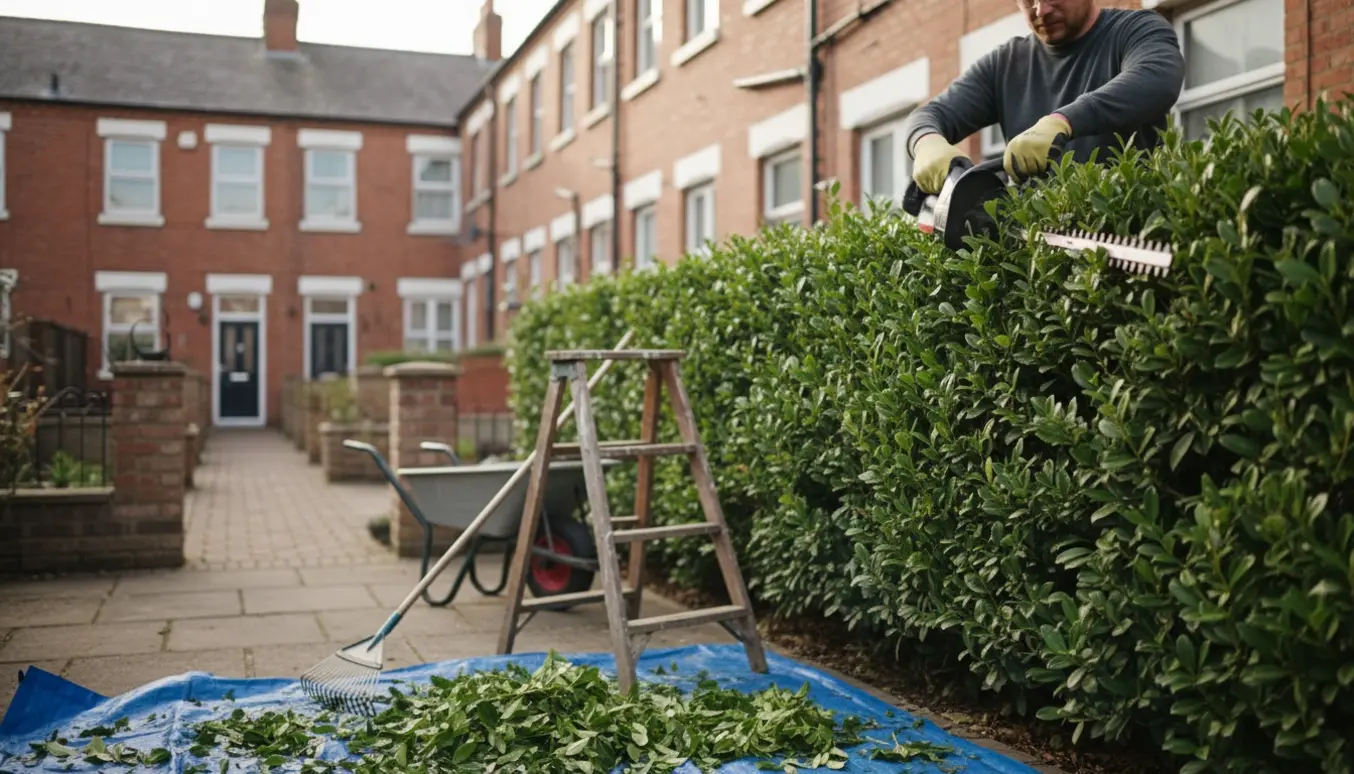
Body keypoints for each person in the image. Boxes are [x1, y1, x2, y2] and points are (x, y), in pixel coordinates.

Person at [906, 0, 1186, 193]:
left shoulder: (1136, 31)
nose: (1041, 10)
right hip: (1039, 257)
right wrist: (926, 143)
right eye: (1028, 0)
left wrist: (1062, 122)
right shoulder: (1005, 65)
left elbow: (1156, 79)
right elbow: (931, 115)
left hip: (1129, 235)